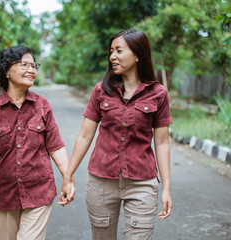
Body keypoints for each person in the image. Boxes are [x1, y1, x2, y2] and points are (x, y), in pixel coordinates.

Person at [59, 29, 172, 239]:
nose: (112, 56)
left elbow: (162, 142)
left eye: (119, 51)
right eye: (111, 51)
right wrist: (68, 175)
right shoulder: (101, 90)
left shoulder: (158, 94)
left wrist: (166, 188)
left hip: (142, 183)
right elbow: (85, 135)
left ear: (138, 55)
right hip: (101, 182)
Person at [0, 45, 74, 240]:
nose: (32, 70)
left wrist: (68, 179)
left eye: (34, 65)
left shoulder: (42, 105)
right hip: (5, 194)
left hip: (39, 191)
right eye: (24, 64)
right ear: (7, 71)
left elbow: (56, 146)